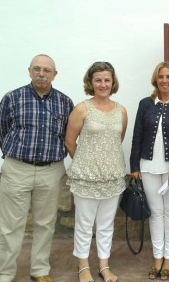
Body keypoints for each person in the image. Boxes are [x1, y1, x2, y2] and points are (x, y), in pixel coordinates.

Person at [0, 54, 74, 282]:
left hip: (51, 170)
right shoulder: (12, 98)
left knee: (45, 224)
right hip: (17, 169)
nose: (42, 73)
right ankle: (4, 274)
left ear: (54, 75)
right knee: (11, 226)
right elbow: (2, 131)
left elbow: (67, 136)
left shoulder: (64, 102)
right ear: (29, 71)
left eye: (47, 70)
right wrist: (19, 157)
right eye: (37, 69)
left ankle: (40, 270)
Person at [130, 61, 169, 280]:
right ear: (155, 80)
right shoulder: (145, 104)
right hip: (148, 166)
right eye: (161, 77)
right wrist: (134, 166)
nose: (165, 80)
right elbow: (137, 135)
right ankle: (157, 257)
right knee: (156, 212)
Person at [65, 62, 127, 282]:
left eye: (107, 80)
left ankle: (104, 265)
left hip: (112, 178)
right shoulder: (82, 108)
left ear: (113, 82)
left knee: (106, 224)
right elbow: (70, 142)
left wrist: (105, 163)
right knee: (84, 224)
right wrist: (86, 163)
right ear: (91, 82)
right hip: (86, 179)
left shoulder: (121, 110)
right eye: (98, 80)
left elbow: (116, 141)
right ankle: (83, 267)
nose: (103, 84)